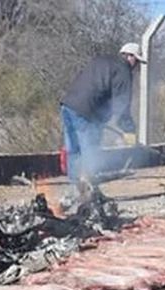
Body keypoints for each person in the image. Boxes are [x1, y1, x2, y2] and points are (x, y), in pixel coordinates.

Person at [59, 43, 140, 185]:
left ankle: (75, 189)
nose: (137, 65)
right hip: (86, 112)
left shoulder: (101, 60)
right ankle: (90, 190)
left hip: (68, 105)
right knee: (90, 152)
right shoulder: (123, 70)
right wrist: (130, 131)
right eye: (137, 61)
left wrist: (102, 119)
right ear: (129, 56)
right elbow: (122, 107)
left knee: (73, 151)